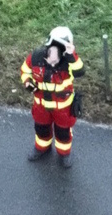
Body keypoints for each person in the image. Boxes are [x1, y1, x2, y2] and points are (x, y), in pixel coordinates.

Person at [20, 26, 83, 167]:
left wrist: (71, 54)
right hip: (41, 106)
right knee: (41, 129)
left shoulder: (69, 62)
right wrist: (27, 82)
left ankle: (64, 154)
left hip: (63, 109)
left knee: (63, 133)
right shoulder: (36, 56)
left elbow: (79, 72)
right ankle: (42, 148)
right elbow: (25, 71)